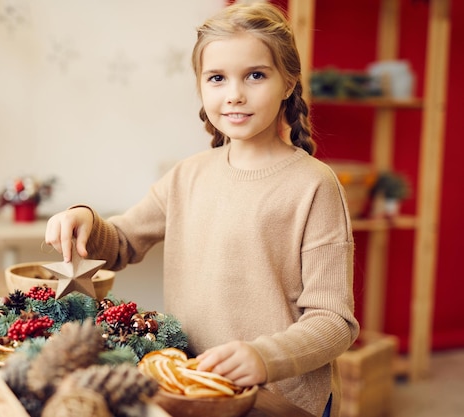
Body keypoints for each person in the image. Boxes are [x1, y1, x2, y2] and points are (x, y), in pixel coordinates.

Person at [44, 2, 359, 416]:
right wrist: (84, 218)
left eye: (256, 75)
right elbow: (120, 243)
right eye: (217, 78)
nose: (234, 95)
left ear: (287, 84)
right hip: (191, 388)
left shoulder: (313, 185)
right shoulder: (187, 175)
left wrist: (264, 357)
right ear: (201, 86)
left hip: (279, 400)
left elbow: (334, 321)